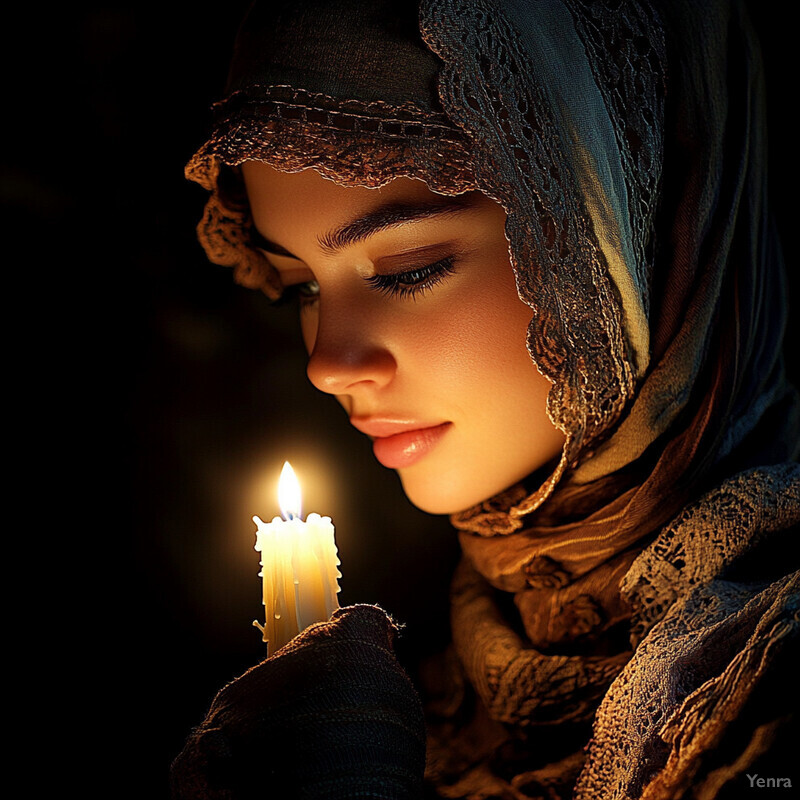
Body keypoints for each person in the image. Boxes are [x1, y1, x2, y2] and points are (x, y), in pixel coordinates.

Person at [172, 0, 799, 797]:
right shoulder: (418, 701)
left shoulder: (763, 696)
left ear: (637, 232)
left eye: (408, 267)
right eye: (298, 287)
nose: (327, 364)